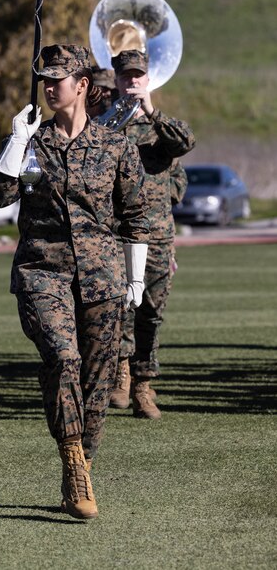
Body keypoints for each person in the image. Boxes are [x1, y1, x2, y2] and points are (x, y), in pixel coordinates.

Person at [0, 44, 149, 520]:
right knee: (63, 358)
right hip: (43, 272)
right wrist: (17, 140)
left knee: (97, 384)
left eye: (60, 79)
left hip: (103, 279)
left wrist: (135, 279)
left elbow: (136, 217)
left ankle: (84, 461)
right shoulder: (31, 142)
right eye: (45, 79)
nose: (50, 86)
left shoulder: (116, 146)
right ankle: (74, 463)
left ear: (82, 85)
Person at [108, 49, 195, 420]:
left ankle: (144, 383)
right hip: (118, 234)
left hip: (157, 235)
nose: (132, 82)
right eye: (126, 76)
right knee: (120, 309)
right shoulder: (107, 124)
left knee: (151, 313)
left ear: (148, 79)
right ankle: (122, 375)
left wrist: (151, 111)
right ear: (116, 79)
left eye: (138, 76)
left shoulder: (162, 128)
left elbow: (185, 143)